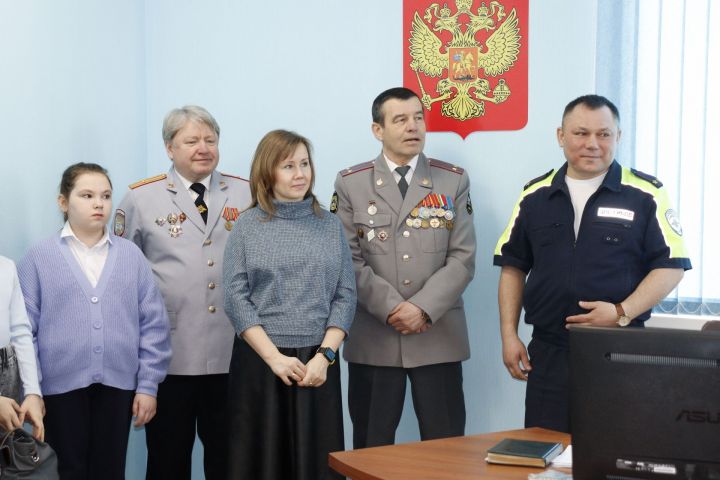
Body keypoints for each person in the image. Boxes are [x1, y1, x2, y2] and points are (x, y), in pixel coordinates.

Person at [493, 94, 692, 433]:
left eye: (603, 134)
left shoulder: (645, 193)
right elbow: (513, 267)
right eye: (581, 133)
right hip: (550, 349)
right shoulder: (534, 195)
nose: (592, 144)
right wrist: (509, 335)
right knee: (545, 448)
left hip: (619, 349)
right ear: (561, 136)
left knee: (614, 448)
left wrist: (620, 312)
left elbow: (671, 266)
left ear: (618, 137)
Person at [332, 87, 477, 448]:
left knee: (447, 451)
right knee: (371, 449)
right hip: (375, 339)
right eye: (400, 120)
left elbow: (462, 258)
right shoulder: (351, 182)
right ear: (377, 130)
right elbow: (347, 259)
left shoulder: (452, 179)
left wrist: (422, 309)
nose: (413, 127)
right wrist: (392, 308)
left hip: (437, 336)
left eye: (418, 117)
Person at [114, 105, 251, 480]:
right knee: (168, 459)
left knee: (229, 458)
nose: (203, 147)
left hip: (233, 352)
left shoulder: (246, 192)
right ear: (169, 148)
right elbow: (122, 277)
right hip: (169, 356)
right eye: (191, 141)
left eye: (210, 139)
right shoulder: (140, 199)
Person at [17, 163, 171, 479]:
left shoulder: (131, 256)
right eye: (86, 195)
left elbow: (153, 324)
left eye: (105, 195)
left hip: (118, 387)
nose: (98, 203)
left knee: (110, 469)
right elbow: (24, 330)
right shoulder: (39, 257)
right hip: (58, 390)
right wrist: (32, 389)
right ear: (63, 202)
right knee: (66, 469)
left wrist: (148, 385)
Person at [223, 129, 356, 480]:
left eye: (305, 164)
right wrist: (274, 358)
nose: (300, 174)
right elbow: (236, 297)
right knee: (262, 463)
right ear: (268, 173)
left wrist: (325, 357)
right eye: (288, 166)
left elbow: (345, 294)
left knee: (317, 465)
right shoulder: (247, 226)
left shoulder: (329, 225)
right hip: (261, 364)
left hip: (317, 364)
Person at [0, 255, 44, 440]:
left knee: (8, 460)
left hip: (7, 372)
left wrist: (33, 393)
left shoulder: (6, 267)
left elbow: (20, 332)